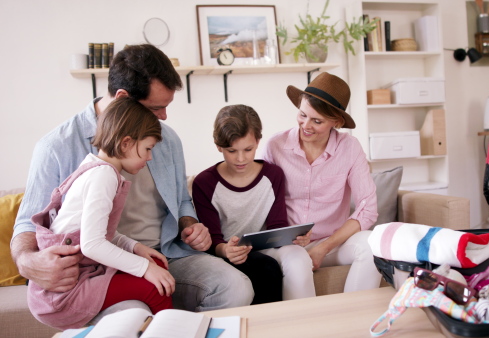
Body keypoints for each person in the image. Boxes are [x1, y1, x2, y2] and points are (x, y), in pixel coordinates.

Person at [11, 44, 253, 317]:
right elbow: (26, 223)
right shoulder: (56, 147)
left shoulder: (167, 138)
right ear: (123, 97)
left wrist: (190, 224)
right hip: (96, 270)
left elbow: (182, 199)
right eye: (156, 107)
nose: (163, 117)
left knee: (235, 287)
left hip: (164, 254)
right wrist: (28, 262)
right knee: (134, 312)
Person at [28, 97, 174, 330]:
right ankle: (174, 332)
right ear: (126, 143)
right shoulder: (103, 176)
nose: (149, 158)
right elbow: (92, 244)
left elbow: (101, 231)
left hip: (82, 273)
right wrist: (144, 268)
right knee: (156, 287)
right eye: (148, 149)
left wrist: (133, 247)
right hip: (65, 292)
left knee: (157, 266)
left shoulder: (97, 167)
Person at [262, 72, 382, 293]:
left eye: (317, 121)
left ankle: (355, 317)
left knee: (372, 244)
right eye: (302, 115)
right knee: (298, 263)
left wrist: (324, 247)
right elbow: (260, 199)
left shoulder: (350, 148)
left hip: (332, 242)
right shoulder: (275, 146)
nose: (305, 125)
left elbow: (368, 209)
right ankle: (304, 326)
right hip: (288, 245)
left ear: (336, 122)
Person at [192, 105, 315, 301]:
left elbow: (277, 226)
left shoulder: (273, 175)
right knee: (265, 269)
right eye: (232, 151)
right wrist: (226, 250)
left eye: (248, 149)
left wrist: (295, 238)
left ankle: (301, 323)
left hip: (263, 249)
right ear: (218, 146)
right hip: (226, 253)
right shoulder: (204, 183)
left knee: (298, 256)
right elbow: (212, 241)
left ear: (258, 142)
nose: (241, 159)